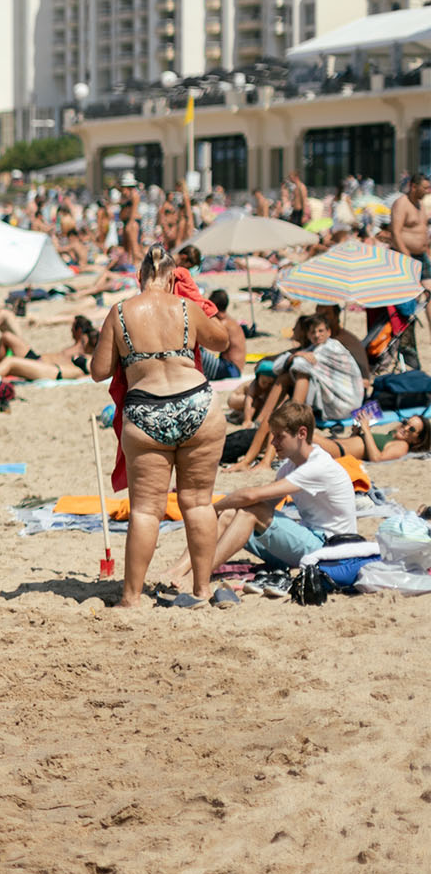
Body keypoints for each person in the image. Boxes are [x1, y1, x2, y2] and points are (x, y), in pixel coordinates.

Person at [89, 245, 230, 608]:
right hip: (196, 404)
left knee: (145, 510)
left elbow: (99, 371)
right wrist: (194, 299)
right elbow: (221, 341)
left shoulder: (120, 312)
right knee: (198, 503)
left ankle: (131, 597)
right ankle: (201, 590)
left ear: (139, 278)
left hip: (147, 410)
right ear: (172, 279)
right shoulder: (185, 307)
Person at [186, 402, 360, 592]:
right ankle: (180, 570)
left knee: (250, 510)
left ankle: (198, 576)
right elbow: (263, 503)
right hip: (309, 541)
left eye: (279, 437)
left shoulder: (317, 466)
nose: (273, 443)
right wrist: (223, 510)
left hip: (328, 549)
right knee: (230, 514)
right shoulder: (290, 465)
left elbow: (252, 497)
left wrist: (210, 508)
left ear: (301, 433)